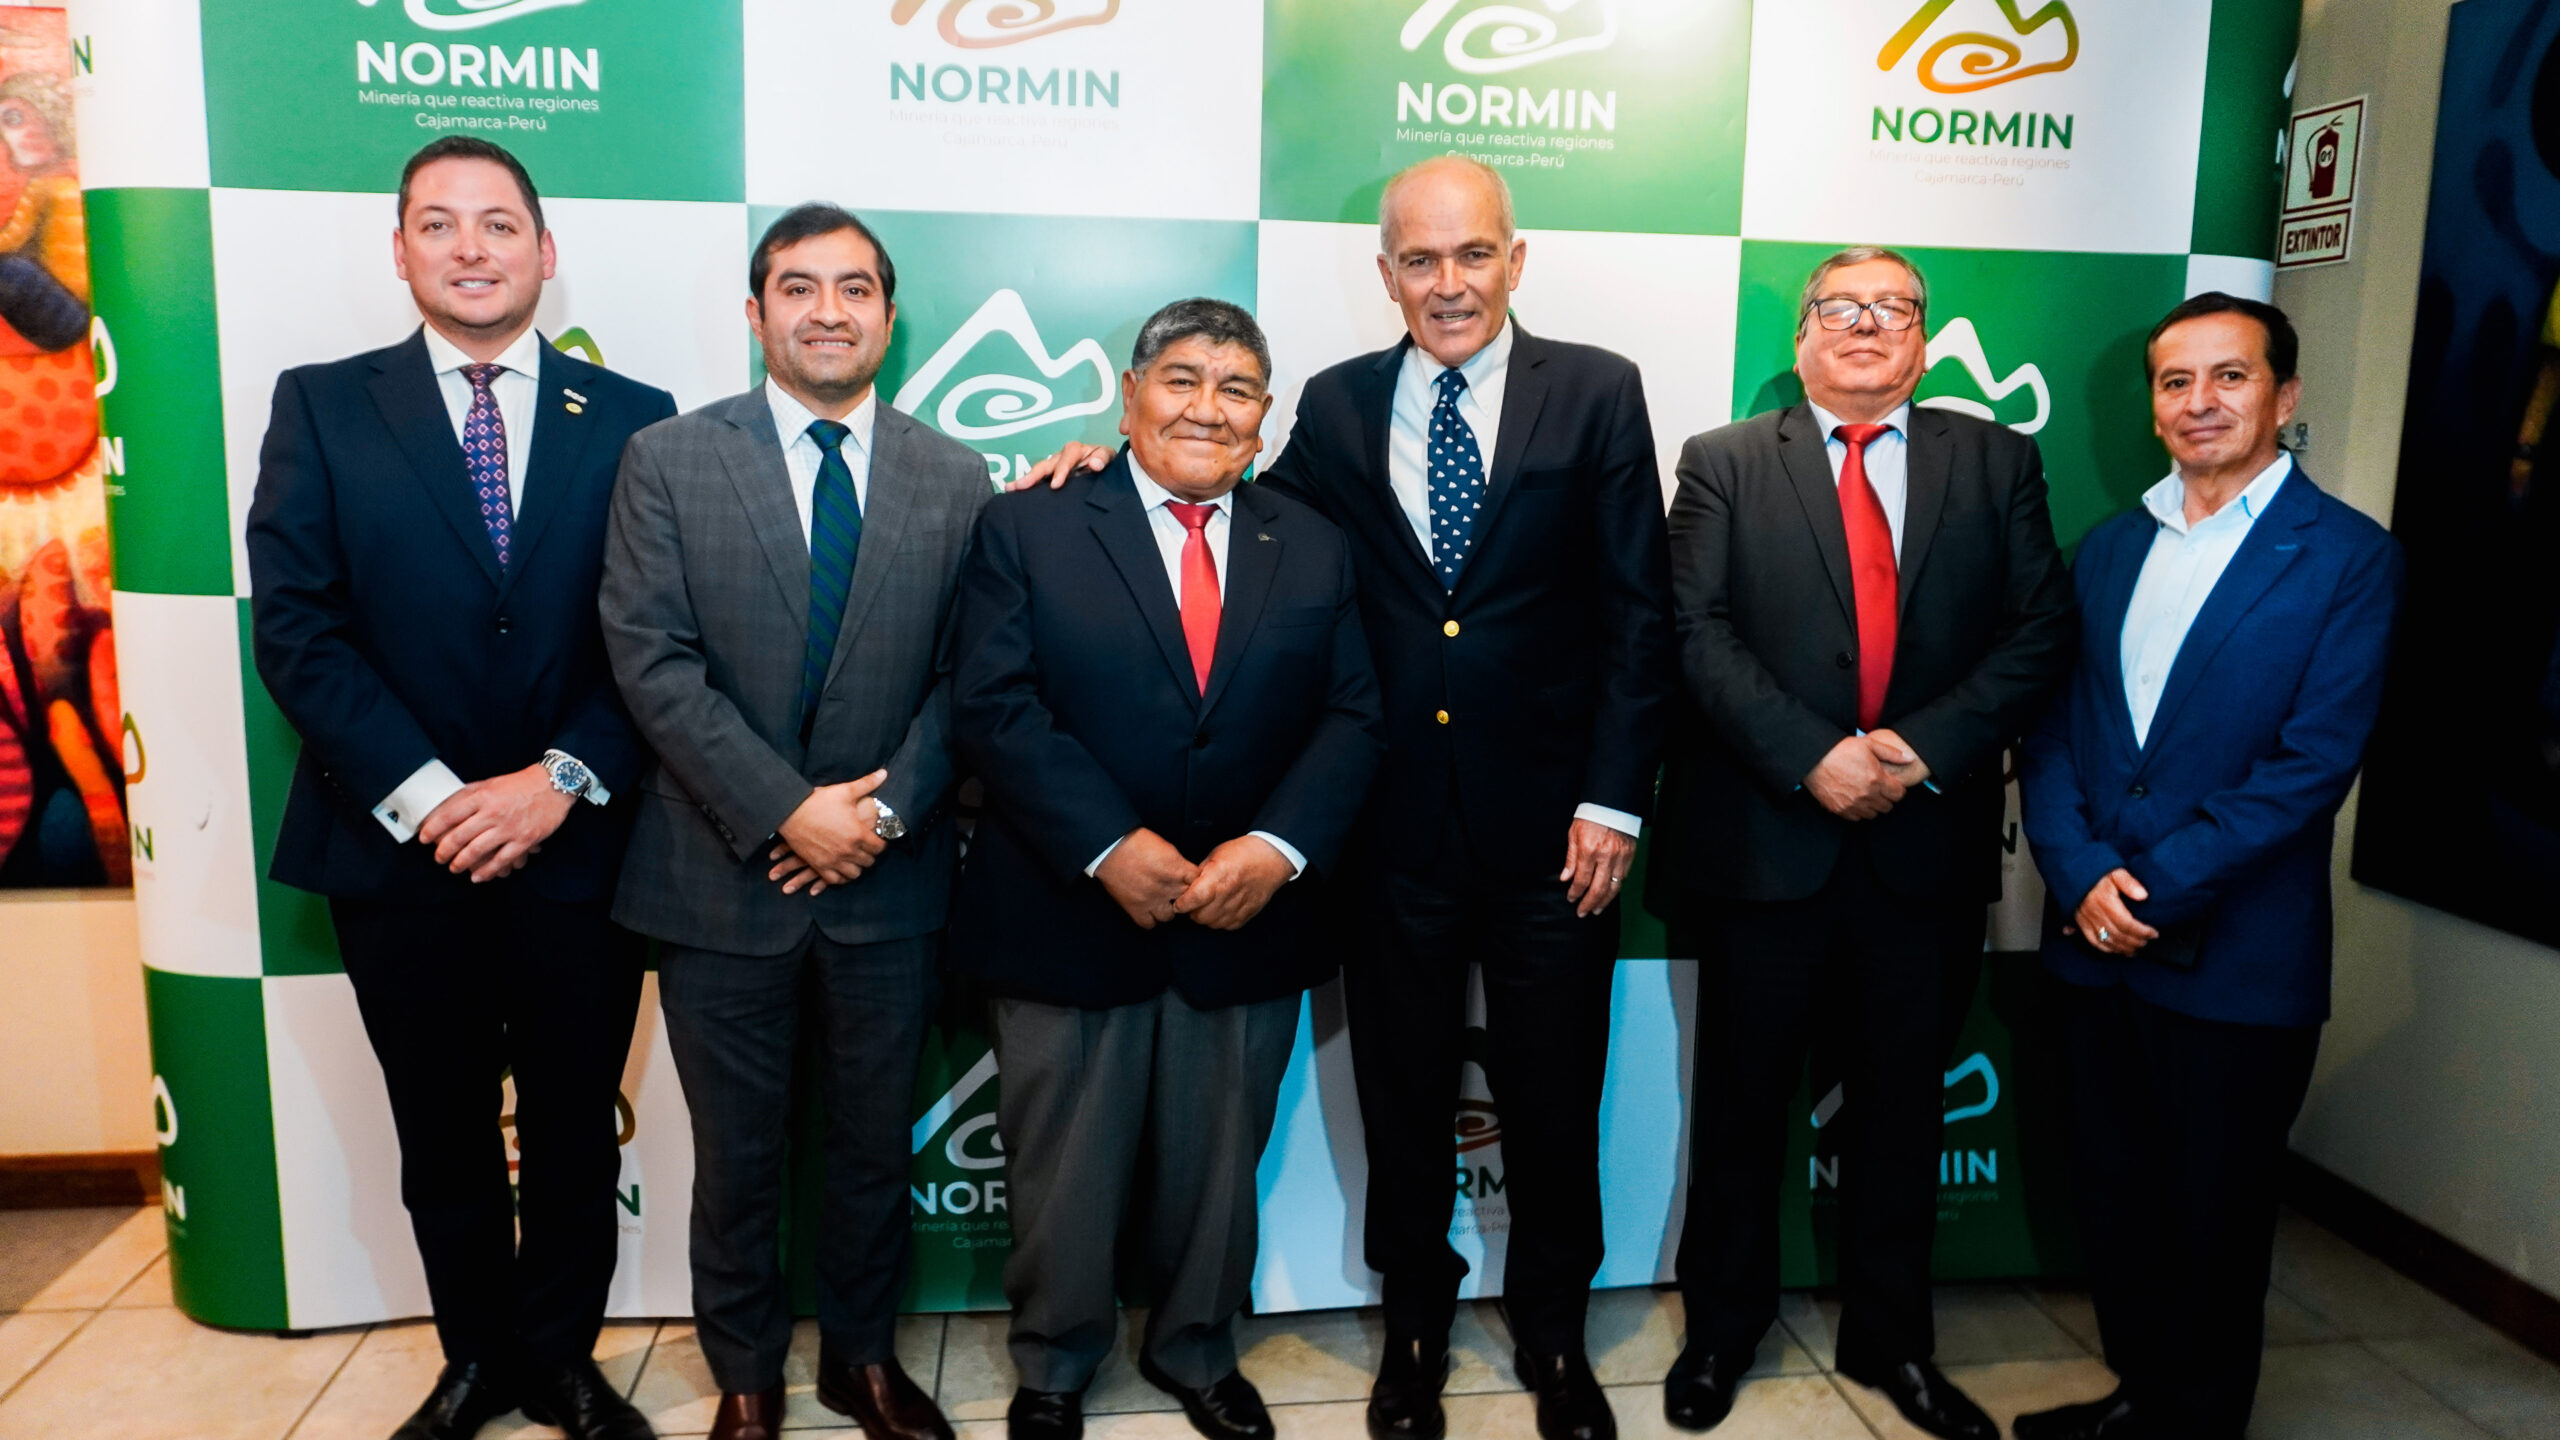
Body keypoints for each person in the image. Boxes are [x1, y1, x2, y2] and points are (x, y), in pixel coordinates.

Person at [1019, 156, 1673, 1440]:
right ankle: (1413, 1330)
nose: (1448, 284)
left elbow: (1639, 611)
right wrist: (1113, 464)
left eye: (1471, 255)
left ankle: (1553, 1333)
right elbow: (1230, 504)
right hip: (1387, 835)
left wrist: (1613, 802)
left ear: (1514, 260)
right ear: (1386, 273)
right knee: (1404, 1097)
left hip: (1555, 837)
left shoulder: (1597, 389)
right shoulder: (1333, 401)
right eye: (1419, 260)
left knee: (1554, 1096)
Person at [245, 137, 674, 1440]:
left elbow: (657, 634)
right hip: (398, 852)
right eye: (439, 223)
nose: (471, 247)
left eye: (499, 223)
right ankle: (477, 1360)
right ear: (400, 252)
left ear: (547, 252)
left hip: (579, 844)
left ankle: (562, 1362)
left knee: (573, 1126)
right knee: (440, 1129)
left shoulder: (636, 416)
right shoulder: (323, 405)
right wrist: (432, 795)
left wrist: (559, 781)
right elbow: (299, 630)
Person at [1655, 247, 2075, 1438]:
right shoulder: (1725, 461)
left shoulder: (1994, 461)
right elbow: (1693, 629)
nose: (1865, 325)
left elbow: (2039, 630)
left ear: (1923, 345)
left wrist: (1913, 749)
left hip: (1922, 846)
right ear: (1801, 338)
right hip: (1765, 846)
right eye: (1839, 307)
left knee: (1902, 1111)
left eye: (1894, 309)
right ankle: (1721, 1333)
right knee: (1741, 1109)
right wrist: (1814, 756)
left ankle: (1893, 1343)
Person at [950, 298, 1385, 1440]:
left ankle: (1196, 1346)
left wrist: (1276, 850)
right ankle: (1055, 1363)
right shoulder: (1028, 524)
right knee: (1063, 1173)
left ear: (1263, 419)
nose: (1206, 407)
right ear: (1129, 396)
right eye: (1181, 379)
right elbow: (994, 704)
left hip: (1245, 918)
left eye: (1236, 389)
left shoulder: (1313, 543)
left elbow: (1353, 714)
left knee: (1218, 1169)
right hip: (1065, 911)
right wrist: (1109, 845)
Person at [597, 204, 990, 1440]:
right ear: (755, 310)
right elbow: (650, 657)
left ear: (888, 315)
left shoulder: (954, 475)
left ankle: (861, 1361)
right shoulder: (668, 458)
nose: (829, 311)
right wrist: (785, 811)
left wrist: (879, 814)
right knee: (738, 1159)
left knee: (873, 1149)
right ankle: (748, 1376)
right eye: (800, 287)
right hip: (718, 878)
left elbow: (970, 676)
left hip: (890, 876)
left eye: (855, 288)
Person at [2015, 293, 2400, 1440]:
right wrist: (2080, 874)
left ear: (2284, 397)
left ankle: (2195, 1424)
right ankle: (2136, 1401)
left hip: (2237, 959)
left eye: (2229, 377)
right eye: (2174, 381)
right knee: (2116, 1201)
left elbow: (2311, 762)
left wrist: (2147, 890)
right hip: (2094, 946)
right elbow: (2053, 731)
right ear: (2152, 407)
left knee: (2213, 1222)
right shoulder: (2107, 548)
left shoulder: (2348, 558)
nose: (2199, 401)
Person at [0, 70, 85, 352]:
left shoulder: (46, 185)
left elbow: (13, 238)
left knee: (9, 269)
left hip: (70, 317)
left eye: (14, 119)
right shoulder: (72, 181)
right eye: (11, 122)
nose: (27, 134)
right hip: (83, 309)